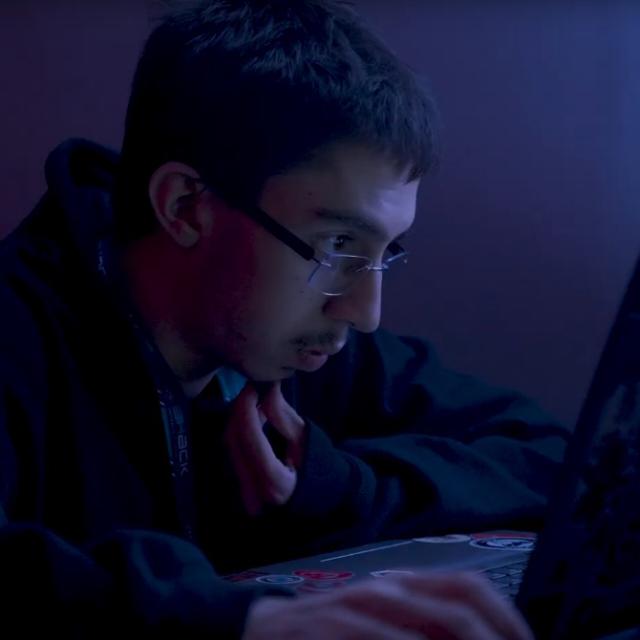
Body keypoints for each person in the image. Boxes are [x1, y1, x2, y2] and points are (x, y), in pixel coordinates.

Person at [0, 0, 567, 636]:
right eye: (338, 246)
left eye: (384, 254)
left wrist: (344, 489)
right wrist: (249, 625)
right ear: (185, 207)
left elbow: (559, 459)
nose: (365, 313)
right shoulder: (17, 338)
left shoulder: (307, 342)